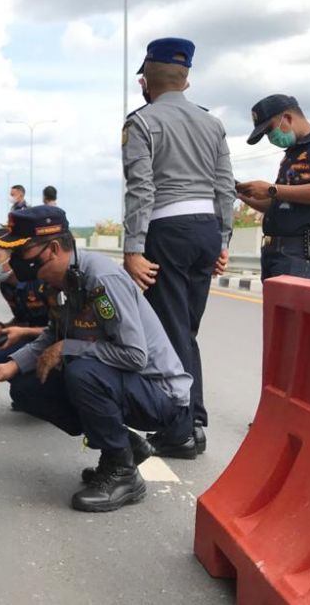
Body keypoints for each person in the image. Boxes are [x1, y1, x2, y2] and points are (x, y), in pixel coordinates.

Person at [0, 206, 194, 512]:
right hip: (122, 383)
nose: (17, 262)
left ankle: (123, 473)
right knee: (28, 386)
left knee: (81, 371)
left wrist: (69, 348)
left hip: (159, 393)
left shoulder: (101, 278)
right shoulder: (62, 283)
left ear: (53, 249)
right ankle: (123, 446)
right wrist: (12, 366)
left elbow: (134, 356)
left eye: (24, 251)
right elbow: (52, 337)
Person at [121, 37, 235, 454]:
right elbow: (225, 188)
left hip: (166, 230)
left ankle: (179, 431)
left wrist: (133, 249)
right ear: (186, 81)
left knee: (170, 334)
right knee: (186, 330)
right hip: (206, 229)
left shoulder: (142, 123)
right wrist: (222, 239)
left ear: (145, 81)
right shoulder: (213, 123)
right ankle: (194, 419)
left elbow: (141, 189)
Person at [237, 94, 310, 280]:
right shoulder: (292, 154)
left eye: (269, 130)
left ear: (287, 118)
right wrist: (241, 193)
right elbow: (277, 204)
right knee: (275, 310)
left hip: (302, 254)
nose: (270, 137)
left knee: (294, 309)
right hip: (274, 251)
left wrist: (271, 189)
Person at [0, 225, 51, 407]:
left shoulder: (41, 280)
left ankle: (45, 390)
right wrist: (1, 327)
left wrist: (23, 332)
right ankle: (28, 388)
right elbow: (21, 319)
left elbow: (62, 329)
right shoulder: (6, 285)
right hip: (32, 336)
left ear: (13, 256)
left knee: (22, 391)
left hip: (54, 341)